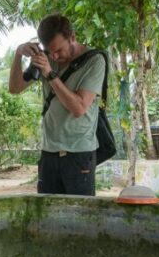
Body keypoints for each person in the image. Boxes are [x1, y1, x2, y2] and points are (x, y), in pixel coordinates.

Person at [8, 14, 106, 196]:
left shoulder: (94, 61)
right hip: (49, 152)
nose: (54, 56)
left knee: (79, 215)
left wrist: (50, 74)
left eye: (59, 50)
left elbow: (79, 108)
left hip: (79, 153)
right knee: (46, 215)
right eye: (50, 51)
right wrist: (18, 54)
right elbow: (15, 88)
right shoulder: (46, 57)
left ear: (72, 38)